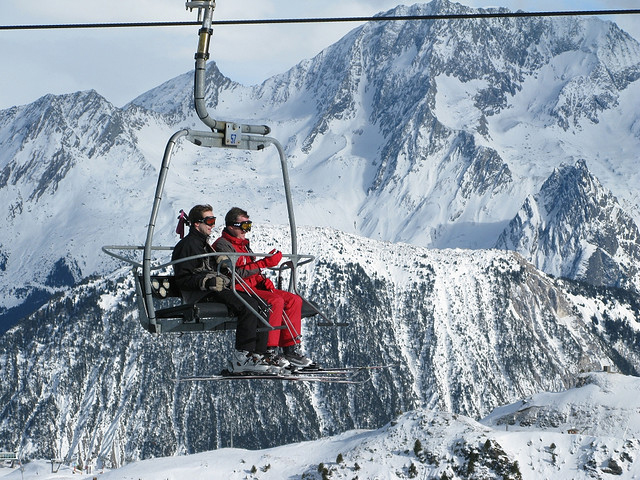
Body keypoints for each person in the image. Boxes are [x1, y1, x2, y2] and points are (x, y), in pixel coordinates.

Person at [172, 204, 282, 375]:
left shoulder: (203, 244)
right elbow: (183, 279)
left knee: (260, 305)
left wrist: (222, 265)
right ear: (196, 224)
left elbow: (213, 269)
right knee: (248, 305)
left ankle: (257, 355)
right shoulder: (188, 246)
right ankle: (242, 356)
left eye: (213, 220)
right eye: (209, 220)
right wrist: (207, 282)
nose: (212, 225)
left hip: (216, 288)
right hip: (203, 293)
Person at [213, 207, 315, 369]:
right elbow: (235, 273)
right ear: (231, 226)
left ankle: (290, 348)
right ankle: (269, 350)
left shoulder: (245, 245)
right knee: (274, 301)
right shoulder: (222, 246)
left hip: (253, 286)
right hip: (239, 288)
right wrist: (265, 263)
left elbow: (252, 268)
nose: (246, 231)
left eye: (249, 226)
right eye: (244, 226)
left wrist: (262, 280)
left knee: (293, 300)